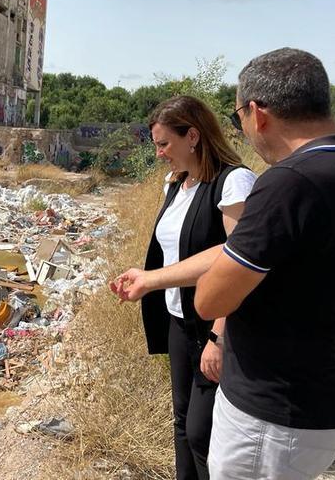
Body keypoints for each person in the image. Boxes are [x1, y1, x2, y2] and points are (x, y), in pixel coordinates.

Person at [116, 48, 335, 480]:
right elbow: (250, 259)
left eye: (239, 116)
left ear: (257, 113)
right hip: (315, 395)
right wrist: (156, 280)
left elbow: (210, 298)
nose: (243, 129)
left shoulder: (287, 183)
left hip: (271, 413)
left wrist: (214, 326)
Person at [110, 95, 257, 480]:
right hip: (178, 323)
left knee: (202, 433)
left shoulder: (233, 182)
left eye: (164, 144)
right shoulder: (176, 185)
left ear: (192, 136)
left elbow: (240, 264)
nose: (159, 153)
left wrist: (219, 337)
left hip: (214, 329)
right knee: (181, 423)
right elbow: (173, 254)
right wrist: (141, 277)